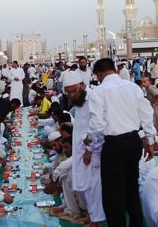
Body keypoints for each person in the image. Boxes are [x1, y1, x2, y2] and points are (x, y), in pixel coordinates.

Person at [87, 58, 155, 227]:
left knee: (112, 192)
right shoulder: (133, 87)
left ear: (99, 73)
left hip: (114, 144)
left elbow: (97, 124)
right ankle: (136, 224)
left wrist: (88, 142)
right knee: (131, 186)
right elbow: (146, 114)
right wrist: (150, 139)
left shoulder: (99, 91)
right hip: (133, 142)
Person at [63, 71, 104, 225]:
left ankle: (97, 220)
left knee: (94, 186)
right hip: (81, 149)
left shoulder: (92, 98)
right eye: (68, 93)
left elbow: (98, 127)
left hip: (92, 151)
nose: (72, 95)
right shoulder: (79, 102)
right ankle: (92, 215)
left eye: (74, 91)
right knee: (85, 186)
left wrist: (89, 150)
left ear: (82, 85)